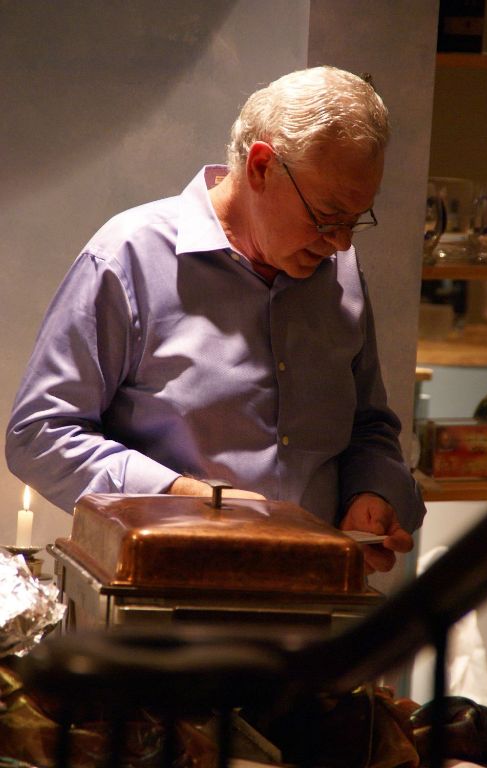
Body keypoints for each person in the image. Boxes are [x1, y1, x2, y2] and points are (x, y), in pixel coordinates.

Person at [6, 66, 425, 574]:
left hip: (314, 599)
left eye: (355, 220)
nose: (341, 243)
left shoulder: (342, 271)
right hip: (162, 598)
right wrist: (181, 498)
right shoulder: (129, 256)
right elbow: (39, 435)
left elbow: (369, 427)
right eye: (326, 216)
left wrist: (372, 491)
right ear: (261, 167)